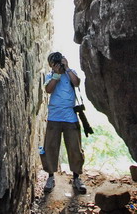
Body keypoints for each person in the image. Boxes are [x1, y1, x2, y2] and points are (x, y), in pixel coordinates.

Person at [42, 51, 87, 194]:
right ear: (50, 65)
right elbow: (48, 89)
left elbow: (77, 82)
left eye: (59, 61)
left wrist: (66, 68)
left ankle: (76, 178)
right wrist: (56, 74)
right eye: (54, 63)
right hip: (54, 117)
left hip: (70, 117)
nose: (57, 64)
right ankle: (50, 177)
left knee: (74, 148)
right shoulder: (50, 76)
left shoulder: (70, 72)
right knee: (50, 148)